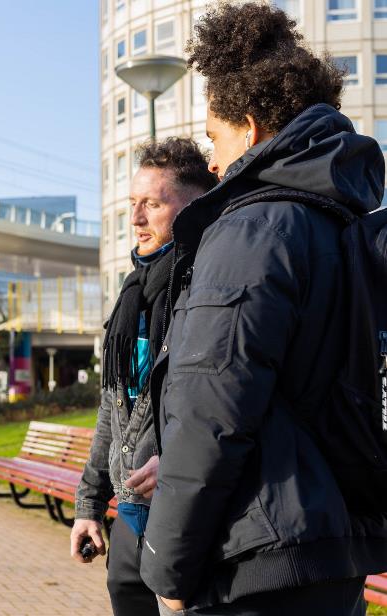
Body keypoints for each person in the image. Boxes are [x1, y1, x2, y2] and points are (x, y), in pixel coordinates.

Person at [137, 4, 387, 615]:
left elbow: (213, 409)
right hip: (333, 548)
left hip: (256, 561)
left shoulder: (253, 228)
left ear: (248, 130)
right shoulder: (342, 221)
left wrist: (167, 566)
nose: (213, 162)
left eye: (214, 140)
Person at [70, 138, 217, 616]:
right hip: (129, 519)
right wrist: (90, 505)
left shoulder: (206, 289)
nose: (135, 220)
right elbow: (113, 409)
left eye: (152, 204)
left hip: (187, 519)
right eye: (132, 204)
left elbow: (222, 405)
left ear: (194, 206)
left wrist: (176, 463)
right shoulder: (132, 294)